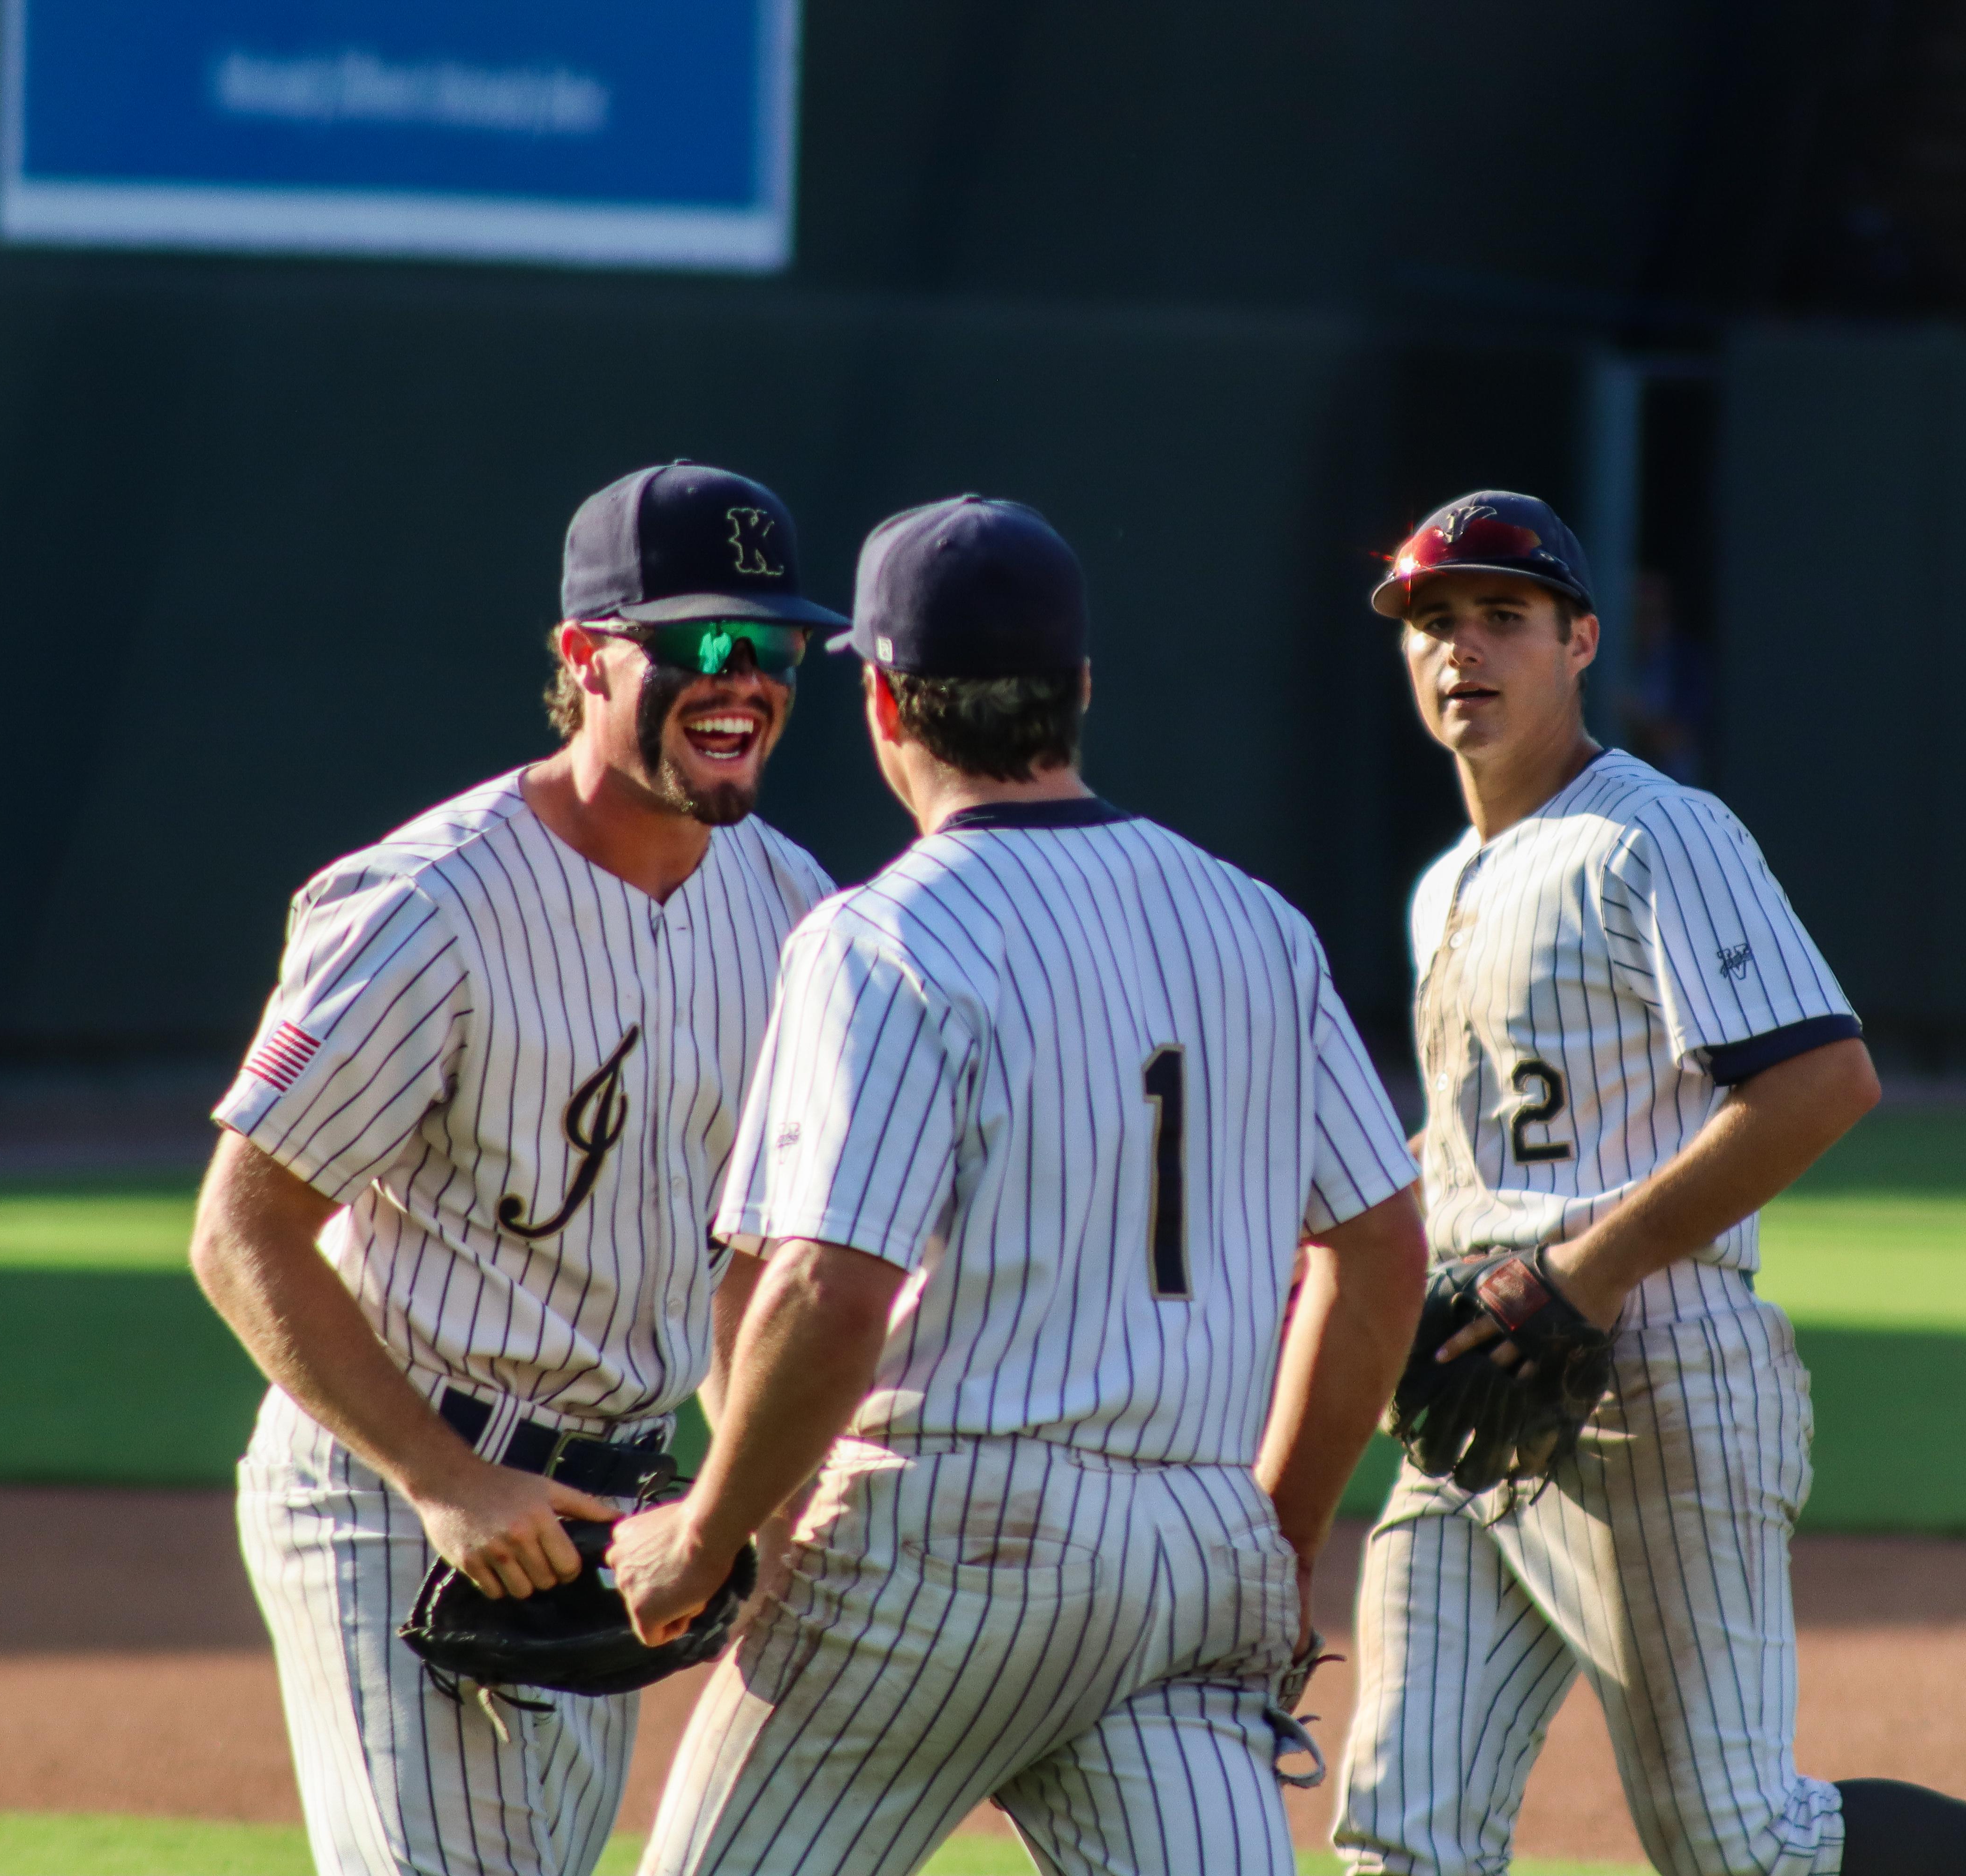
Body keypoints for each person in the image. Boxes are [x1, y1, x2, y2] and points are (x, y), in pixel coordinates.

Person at [1332, 490, 1966, 1876]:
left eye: (1504, 617)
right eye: (1435, 623)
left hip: (1660, 1368)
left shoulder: (1653, 836)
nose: (1464, 649)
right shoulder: (1447, 880)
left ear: (1581, 643)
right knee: (1402, 1832)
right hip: (1481, 1379)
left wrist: (1582, 1273)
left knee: (1742, 1844)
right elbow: (1473, 1149)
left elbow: (1821, 1083)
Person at [608, 495, 1431, 1876]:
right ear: (1081, 691)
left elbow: (826, 1287)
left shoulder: (879, 938)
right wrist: (1277, 1538)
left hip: (949, 1548)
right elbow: (1383, 1249)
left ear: (882, 700)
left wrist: (707, 1534)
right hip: (1195, 1554)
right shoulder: (1256, 923)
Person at [189, 461, 842, 1876]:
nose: (745, 679)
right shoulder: (427, 904)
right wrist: (444, 1481)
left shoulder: (798, 908)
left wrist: (754, 1493)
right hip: (391, 1493)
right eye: (701, 643)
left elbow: (745, 1264)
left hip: (609, 1519)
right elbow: (243, 1230)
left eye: (776, 644)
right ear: (585, 659)